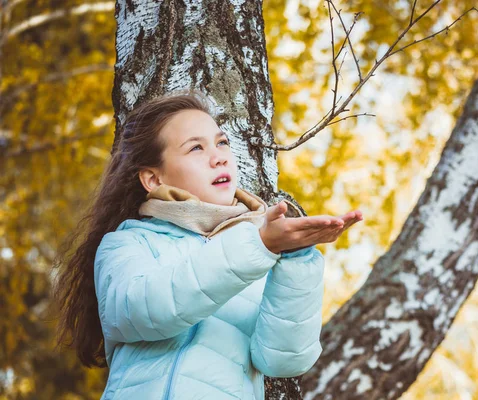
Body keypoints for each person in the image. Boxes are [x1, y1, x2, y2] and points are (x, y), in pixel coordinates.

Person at [53, 89, 363, 400]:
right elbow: (146, 310)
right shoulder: (128, 242)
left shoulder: (258, 254)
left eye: (222, 142)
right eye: (195, 148)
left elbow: (284, 359)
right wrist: (258, 246)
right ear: (153, 179)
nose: (219, 157)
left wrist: (296, 260)